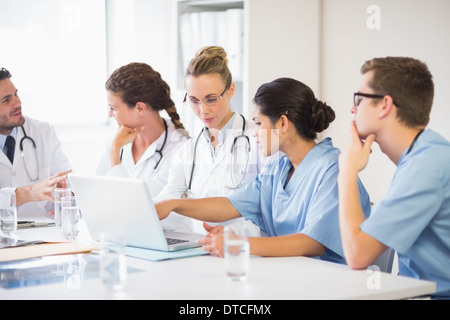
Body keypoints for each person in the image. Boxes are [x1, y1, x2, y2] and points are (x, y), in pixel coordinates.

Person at [156, 77, 371, 263]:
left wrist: (241, 244)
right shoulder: (278, 169)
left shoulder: (331, 168)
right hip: (290, 278)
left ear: (283, 123)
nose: (254, 133)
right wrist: (174, 204)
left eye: (258, 123)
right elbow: (229, 205)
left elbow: (314, 242)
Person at [338, 56, 450, 299]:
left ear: (384, 105)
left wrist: (346, 171)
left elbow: (357, 255)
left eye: (359, 99)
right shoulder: (423, 155)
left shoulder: (426, 165)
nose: (352, 108)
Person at [155, 46, 268, 233]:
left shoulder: (261, 140)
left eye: (211, 99)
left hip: (245, 253)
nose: (202, 110)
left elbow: (270, 212)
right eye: (194, 100)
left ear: (230, 90)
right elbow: (167, 208)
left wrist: (235, 232)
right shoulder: (187, 151)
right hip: (200, 253)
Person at [96, 62, 189, 198]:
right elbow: (97, 191)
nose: (110, 114)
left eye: (114, 108)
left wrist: (114, 151)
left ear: (140, 108)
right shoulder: (117, 140)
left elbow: (131, 203)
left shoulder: (179, 148)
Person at [0, 67, 72, 221]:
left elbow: (67, 181)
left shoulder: (43, 131)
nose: (18, 103)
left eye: (16, 94)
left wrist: (66, 194)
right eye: (6, 100)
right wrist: (28, 193)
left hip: (44, 231)